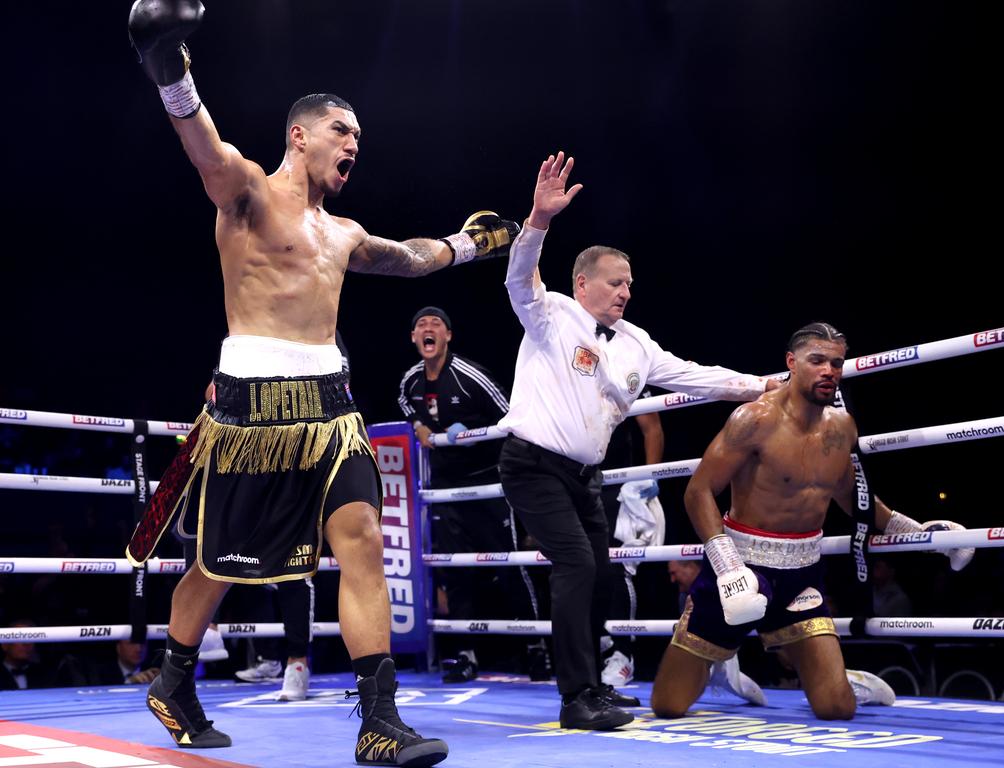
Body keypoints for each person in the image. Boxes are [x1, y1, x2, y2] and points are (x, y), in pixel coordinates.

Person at [126, 3, 518, 763]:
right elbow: (201, 145)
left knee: (363, 541)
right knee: (218, 563)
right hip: (254, 412)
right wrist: (165, 57)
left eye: (360, 140)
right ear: (299, 135)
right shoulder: (244, 193)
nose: (354, 148)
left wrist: (472, 244)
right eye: (344, 132)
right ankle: (173, 681)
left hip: (334, 412)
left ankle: (379, 721)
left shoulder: (340, 233)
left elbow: (408, 258)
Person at [497, 151, 778, 730]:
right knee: (575, 565)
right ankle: (576, 697)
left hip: (584, 476)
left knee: (599, 575)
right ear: (583, 283)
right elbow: (517, 277)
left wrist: (759, 386)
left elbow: (691, 374)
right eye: (616, 281)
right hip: (531, 464)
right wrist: (539, 220)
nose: (626, 291)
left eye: (630, 283)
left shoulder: (636, 343)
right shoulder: (550, 312)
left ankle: (596, 685)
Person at [650, 322, 974, 720]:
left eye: (836, 363)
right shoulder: (754, 419)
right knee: (667, 705)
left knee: (837, 708)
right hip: (739, 566)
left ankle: (845, 680)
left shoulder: (842, 428)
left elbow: (848, 496)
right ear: (791, 362)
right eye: (817, 361)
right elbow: (697, 491)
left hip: (802, 573)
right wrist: (727, 566)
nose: (829, 371)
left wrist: (916, 532)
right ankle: (719, 664)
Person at [398, 306, 546, 683]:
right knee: (456, 569)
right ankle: (464, 654)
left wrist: (469, 435)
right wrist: (418, 424)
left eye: (435, 325)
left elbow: (510, 418)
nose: (427, 329)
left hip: (487, 483)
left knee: (509, 564)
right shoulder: (412, 381)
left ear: (448, 336)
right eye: (421, 325)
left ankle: (535, 649)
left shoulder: (469, 376)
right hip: (446, 489)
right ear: (414, 339)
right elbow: (403, 402)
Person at [597, 402, 664, 687]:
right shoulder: (571, 369)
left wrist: (649, 474)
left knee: (617, 568)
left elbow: (652, 427)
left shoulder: (627, 366)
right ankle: (598, 646)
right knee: (582, 569)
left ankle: (623, 655)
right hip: (579, 479)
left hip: (618, 484)